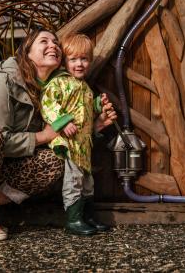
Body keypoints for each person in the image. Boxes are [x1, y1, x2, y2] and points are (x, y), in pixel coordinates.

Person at [0, 29, 64, 242]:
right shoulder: (2, 82)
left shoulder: (47, 92)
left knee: (53, 161)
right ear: (26, 53)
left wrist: (96, 125)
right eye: (44, 41)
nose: (53, 45)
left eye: (56, 42)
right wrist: (42, 136)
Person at [40, 33, 117, 236]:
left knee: (87, 183)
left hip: (83, 145)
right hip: (69, 143)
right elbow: (48, 104)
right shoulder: (59, 83)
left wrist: (98, 106)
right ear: (64, 61)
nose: (79, 64)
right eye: (73, 59)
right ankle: (73, 220)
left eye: (84, 59)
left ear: (89, 61)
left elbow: (86, 113)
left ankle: (87, 217)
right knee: (73, 181)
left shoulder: (85, 88)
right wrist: (62, 123)